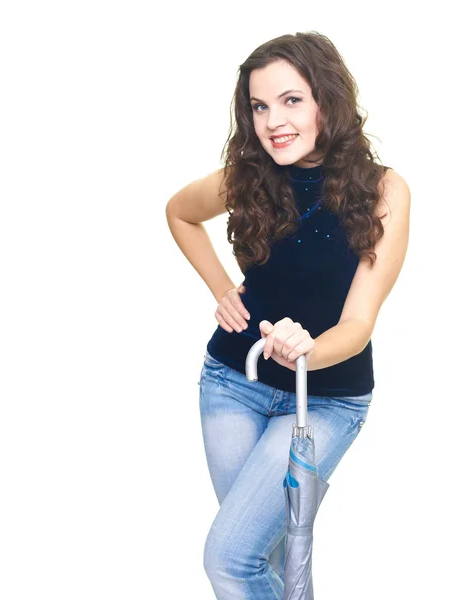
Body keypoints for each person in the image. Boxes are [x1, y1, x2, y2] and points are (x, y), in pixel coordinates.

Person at [165, 31, 410, 600]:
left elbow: (359, 323)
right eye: (259, 105)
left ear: (328, 99)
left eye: (291, 99)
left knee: (231, 560)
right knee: (264, 556)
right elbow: (179, 213)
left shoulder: (384, 191)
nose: (273, 119)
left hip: (325, 399)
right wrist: (223, 287)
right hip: (233, 382)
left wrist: (309, 350)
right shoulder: (248, 177)